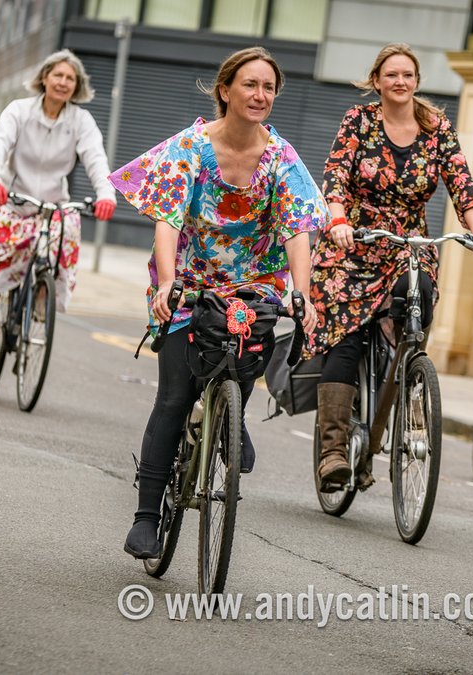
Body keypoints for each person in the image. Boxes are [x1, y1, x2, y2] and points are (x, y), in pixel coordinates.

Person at [111, 46, 326, 559]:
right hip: (189, 281)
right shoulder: (192, 146)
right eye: (250, 85)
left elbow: (297, 227)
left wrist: (301, 290)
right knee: (174, 396)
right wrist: (167, 284)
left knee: (247, 353)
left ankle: (235, 415)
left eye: (269, 87)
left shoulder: (280, 156)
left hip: (253, 284)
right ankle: (146, 518)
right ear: (225, 90)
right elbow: (167, 220)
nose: (260, 95)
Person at [307, 43, 473, 491]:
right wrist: (336, 220)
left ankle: (407, 378)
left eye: (408, 75)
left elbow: (462, 184)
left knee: (420, 298)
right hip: (353, 239)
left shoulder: (436, 128)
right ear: (377, 81)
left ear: (416, 81)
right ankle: (333, 451)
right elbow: (334, 177)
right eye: (391, 74)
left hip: (406, 241)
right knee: (348, 337)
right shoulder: (359, 122)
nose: (400, 81)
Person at [0, 50, 117, 384]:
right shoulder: (19, 111)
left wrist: (106, 194)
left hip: (53, 205)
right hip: (12, 201)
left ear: (76, 87)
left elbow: (96, 159)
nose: (63, 82)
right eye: (57, 75)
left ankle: (42, 295)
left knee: (69, 231)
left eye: (70, 78)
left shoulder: (80, 121)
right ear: (44, 78)